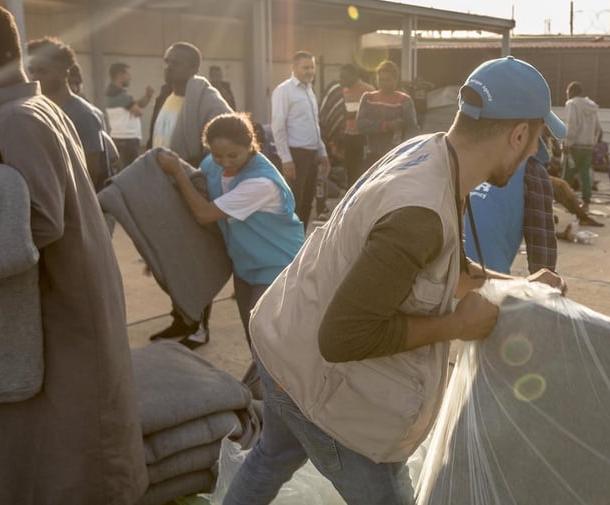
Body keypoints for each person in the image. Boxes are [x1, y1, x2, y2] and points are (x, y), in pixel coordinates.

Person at [222, 55, 567, 505]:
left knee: (268, 460)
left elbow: (446, 267)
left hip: (283, 343)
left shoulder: (430, 152)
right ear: (518, 135)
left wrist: (522, 286)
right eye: (536, 141)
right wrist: (457, 326)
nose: (533, 154)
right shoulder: (420, 212)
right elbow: (343, 337)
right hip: (320, 383)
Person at [0, 6, 147, 504]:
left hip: (62, 304)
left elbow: (39, 220)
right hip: (68, 295)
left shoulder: (17, 119)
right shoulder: (33, 107)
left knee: (73, 442)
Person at [156, 113, 305, 397]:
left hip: (277, 264)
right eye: (217, 154)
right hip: (246, 265)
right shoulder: (213, 165)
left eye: (233, 155)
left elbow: (204, 213)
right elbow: (197, 186)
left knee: (267, 339)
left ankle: (281, 400)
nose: (225, 162)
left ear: (251, 145)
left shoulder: (261, 182)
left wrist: (176, 172)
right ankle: (267, 395)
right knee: (253, 336)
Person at [147, 41, 233, 345]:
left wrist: (188, 175)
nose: (169, 67)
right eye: (167, 61)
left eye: (176, 63)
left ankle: (199, 326)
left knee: (196, 261)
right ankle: (180, 319)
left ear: (194, 68)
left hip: (193, 192)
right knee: (174, 262)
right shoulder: (165, 97)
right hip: (165, 193)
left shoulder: (208, 101)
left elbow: (226, 146)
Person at [465, 136, 561, 275]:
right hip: (489, 280)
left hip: (444, 274)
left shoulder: (472, 157)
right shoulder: (532, 169)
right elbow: (542, 257)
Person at [26, 37, 110, 191]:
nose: (35, 77)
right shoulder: (40, 112)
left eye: (43, 71)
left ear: (64, 74)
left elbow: (92, 173)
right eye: (32, 71)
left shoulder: (83, 115)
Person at [271, 50, 330, 228]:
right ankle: (289, 241)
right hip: (296, 155)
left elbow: (314, 125)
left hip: (312, 154)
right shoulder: (284, 91)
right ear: (294, 68)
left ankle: (301, 239)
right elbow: (278, 126)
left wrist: (322, 152)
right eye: (305, 68)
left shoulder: (309, 91)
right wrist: (286, 159)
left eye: (312, 67)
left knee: (307, 202)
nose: (310, 71)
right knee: (294, 202)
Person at [356, 60, 419, 170]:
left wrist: (408, 155)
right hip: (373, 155)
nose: (384, 83)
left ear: (396, 80)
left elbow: (412, 130)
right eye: (381, 79)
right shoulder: (368, 98)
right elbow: (360, 125)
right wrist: (386, 126)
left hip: (396, 156)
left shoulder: (404, 100)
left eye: (388, 80)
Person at [105, 62, 154, 169]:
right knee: (131, 172)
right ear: (120, 75)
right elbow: (138, 112)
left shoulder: (114, 92)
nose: (130, 77)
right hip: (127, 140)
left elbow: (137, 104)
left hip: (120, 137)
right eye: (128, 74)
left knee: (122, 171)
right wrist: (139, 104)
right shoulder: (118, 94)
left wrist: (147, 96)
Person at [562, 81, 602, 211]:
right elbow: (598, 128)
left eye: (567, 93)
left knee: (567, 174)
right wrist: (592, 142)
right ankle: (586, 203)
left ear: (571, 92)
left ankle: (565, 200)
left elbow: (571, 125)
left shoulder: (571, 104)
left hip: (575, 146)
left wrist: (567, 144)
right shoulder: (592, 106)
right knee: (585, 175)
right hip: (588, 146)